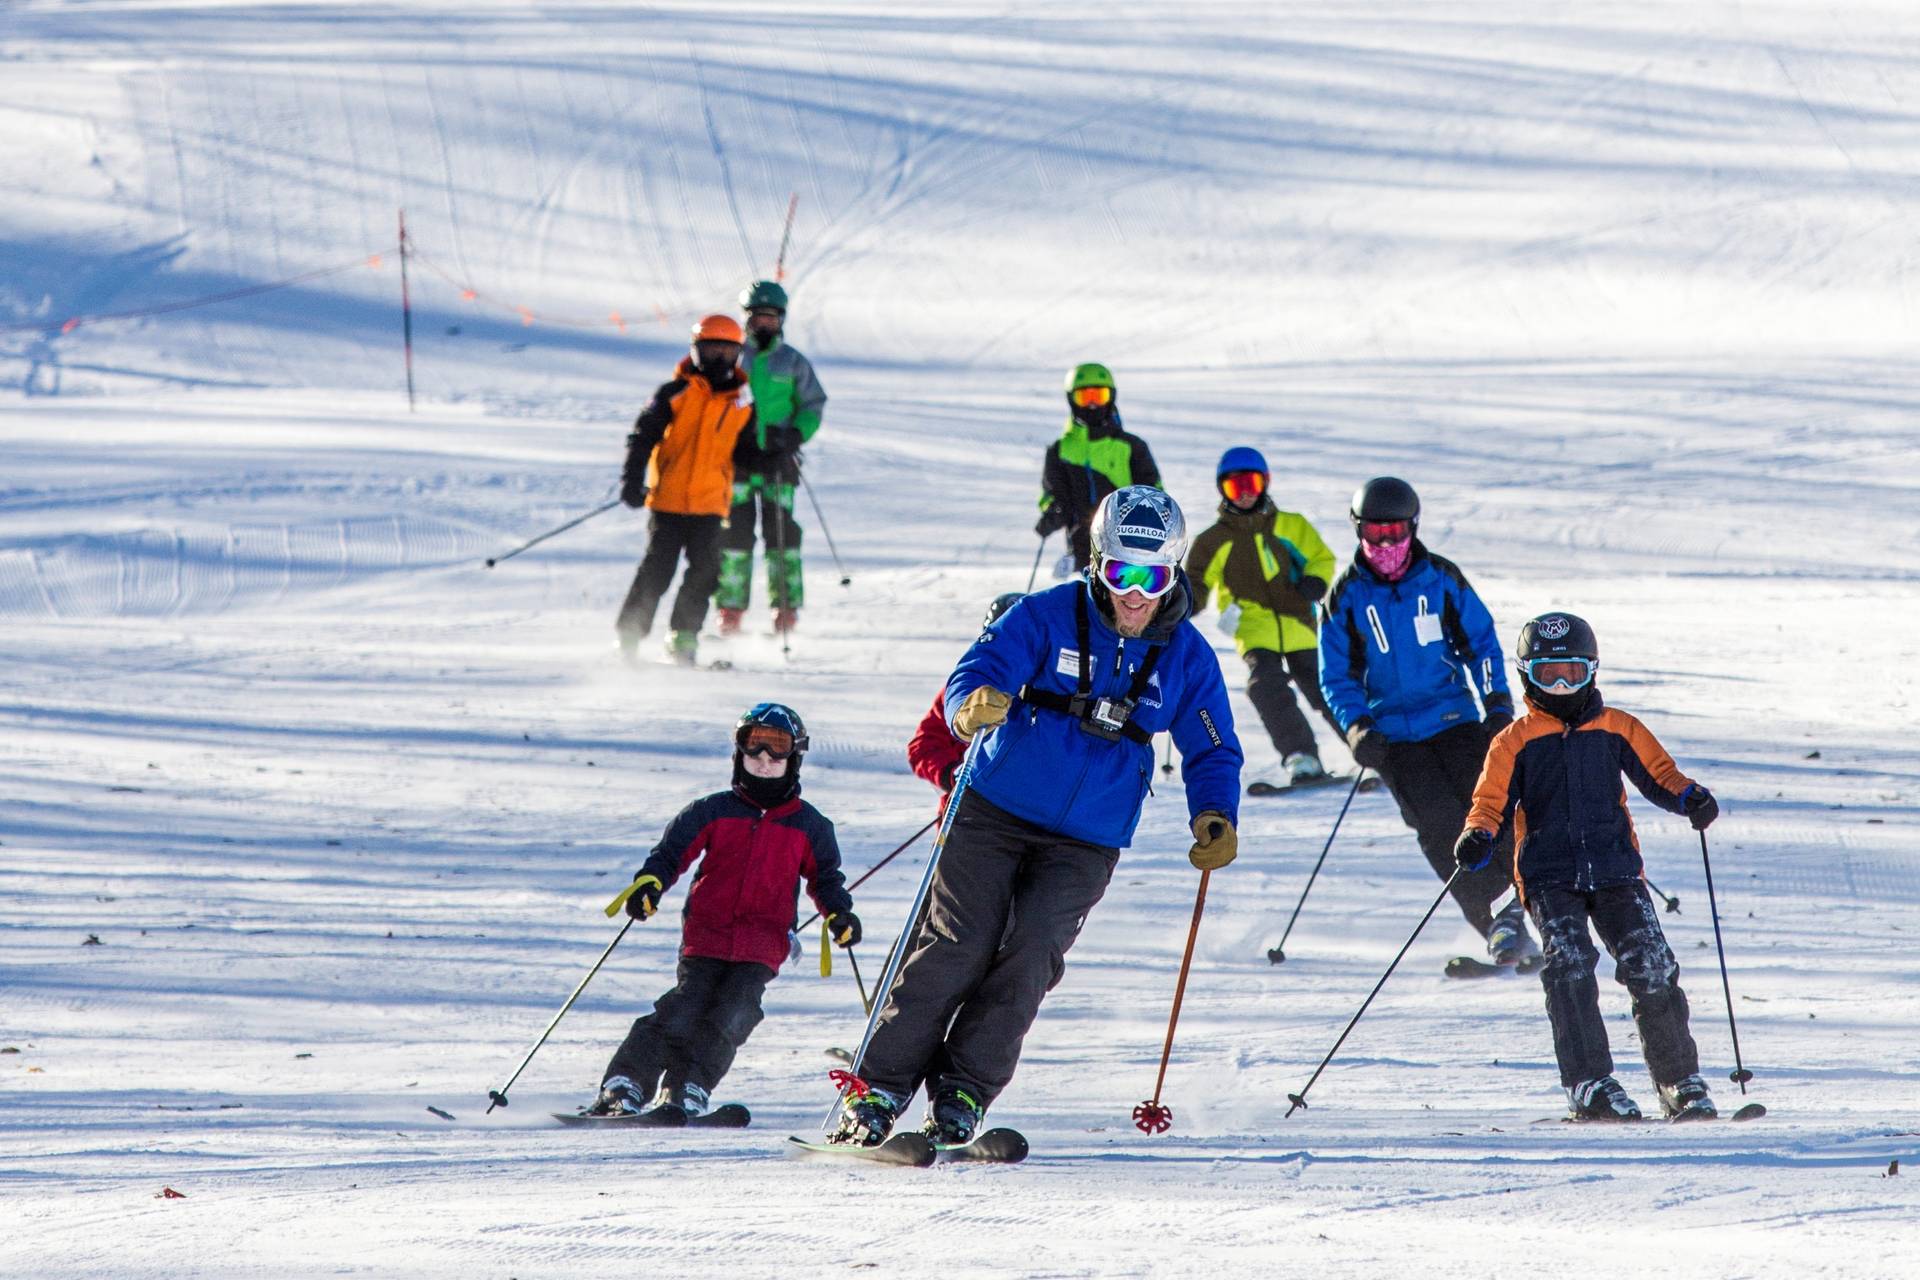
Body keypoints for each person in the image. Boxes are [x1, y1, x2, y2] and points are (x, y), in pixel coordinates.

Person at [832, 487, 1243, 1147]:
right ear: (1097, 565)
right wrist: (971, 704)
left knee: (1031, 955)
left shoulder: (1189, 657)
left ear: (1174, 576)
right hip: (994, 809)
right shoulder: (1045, 615)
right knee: (958, 942)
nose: (1136, 595)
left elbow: (1213, 744)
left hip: (1088, 838)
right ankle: (878, 1088)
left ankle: (964, 1092)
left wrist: (1216, 813)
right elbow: (981, 667)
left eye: (1154, 578)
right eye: (1121, 575)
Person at [1455, 613, 1722, 1121]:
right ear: (1526, 675)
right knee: (1571, 963)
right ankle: (1589, 1082)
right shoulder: (1514, 740)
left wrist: (1691, 798)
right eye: (1548, 674)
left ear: (1593, 672)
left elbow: (1660, 774)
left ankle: (1677, 1079)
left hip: (1617, 868)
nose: (1560, 686)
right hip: (1550, 875)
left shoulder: (1617, 727)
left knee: (1651, 963)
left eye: (1572, 674)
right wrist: (1478, 836)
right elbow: (1488, 804)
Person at [587, 703, 859, 1118]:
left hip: (762, 944)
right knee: (683, 1010)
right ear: (738, 752)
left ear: (795, 755)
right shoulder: (713, 810)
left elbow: (825, 880)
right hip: (707, 936)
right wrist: (650, 885)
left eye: (778, 747)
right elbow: (670, 854)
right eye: (755, 746)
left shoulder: (809, 826)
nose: (765, 759)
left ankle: (688, 1087)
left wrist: (838, 914)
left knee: (733, 1015)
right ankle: (625, 1084)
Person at [1318, 476, 1537, 964]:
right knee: (1439, 828)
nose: (1387, 545)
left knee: (1489, 811)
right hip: (1394, 737)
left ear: (1413, 528)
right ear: (1359, 532)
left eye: (1396, 532)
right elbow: (1335, 674)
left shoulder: (1441, 579)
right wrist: (1357, 727)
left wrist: (1496, 703)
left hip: (1455, 717)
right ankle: (1496, 921)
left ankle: (1534, 903)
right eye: (1375, 534)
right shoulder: (1346, 596)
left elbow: (1480, 642)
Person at [1185, 446, 1340, 786]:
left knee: (1324, 685)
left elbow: (1321, 558)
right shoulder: (1213, 540)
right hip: (1253, 627)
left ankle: (1363, 746)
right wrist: (1182, 605)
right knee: (1266, 685)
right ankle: (1301, 755)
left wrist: (1315, 580)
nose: (1243, 494)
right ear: (1221, 490)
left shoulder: (1291, 526)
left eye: (1250, 484)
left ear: (1265, 483)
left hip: (1299, 623)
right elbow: (1195, 581)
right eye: (1233, 487)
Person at [615, 315, 756, 666]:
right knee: (656, 569)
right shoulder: (674, 393)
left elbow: (747, 453)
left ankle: (684, 637)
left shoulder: (741, 403)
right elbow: (642, 437)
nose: (719, 358)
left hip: (711, 505)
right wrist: (632, 480)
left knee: (705, 571)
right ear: (695, 351)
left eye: (727, 350)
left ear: (737, 354)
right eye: (711, 349)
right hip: (669, 500)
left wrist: (776, 454)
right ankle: (630, 635)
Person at [714, 280, 827, 636]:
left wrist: (795, 434)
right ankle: (730, 610)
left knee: (782, 536)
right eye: (757, 317)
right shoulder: (732, 358)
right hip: (739, 463)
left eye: (771, 318)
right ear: (747, 319)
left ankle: (786, 610)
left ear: (781, 320)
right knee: (735, 536)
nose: (764, 324)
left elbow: (812, 404)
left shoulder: (792, 361)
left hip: (779, 463)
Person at [1034, 363, 1161, 571]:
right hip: (1081, 550)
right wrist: (1054, 511)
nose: (1092, 405)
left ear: (1111, 397)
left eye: (1099, 396)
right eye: (1085, 397)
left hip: (1129, 548)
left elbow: (1155, 493)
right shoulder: (1060, 451)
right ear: (1071, 399)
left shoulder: (1131, 447)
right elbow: (1050, 494)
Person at [907, 592, 1024, 814]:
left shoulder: (1056, 692)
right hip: (967, 815)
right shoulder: (966, 692)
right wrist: (951, 774)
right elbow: (923, 746)